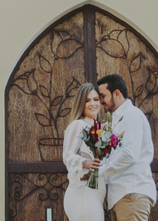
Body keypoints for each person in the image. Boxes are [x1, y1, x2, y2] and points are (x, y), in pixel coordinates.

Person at [96, 74, 157, 221]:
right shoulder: (118, 119)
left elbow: (130, 154)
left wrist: (100, 173)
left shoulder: (131, 115)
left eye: (103, 96)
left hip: (131, 194)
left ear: (116, 93)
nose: (101, 100)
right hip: (124, 196)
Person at [62, 83, 107, 221]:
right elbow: (67, 155)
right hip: (83, 194)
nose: (92, 104)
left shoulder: (96, 129)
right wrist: (85, 163)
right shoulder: (79, 124)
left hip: (93, 196)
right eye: (87, 100)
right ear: (80, 104)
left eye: (95, 99)